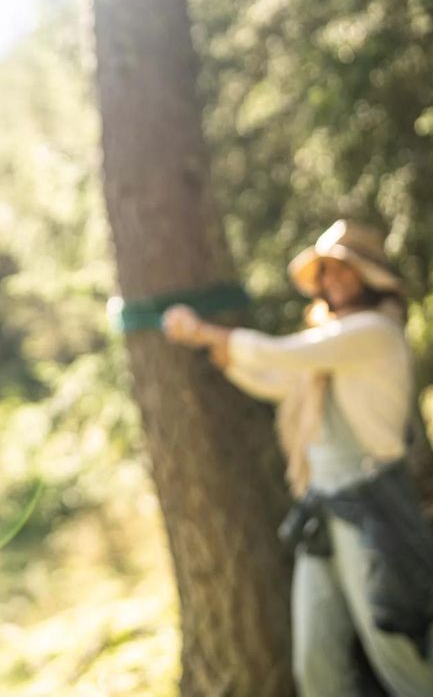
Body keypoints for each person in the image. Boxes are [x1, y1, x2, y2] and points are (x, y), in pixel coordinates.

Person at [163, 219, 433, 696]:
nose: (333, 280)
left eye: (344, 269)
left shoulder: (373, 332)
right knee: (315, 657)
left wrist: (205, 333)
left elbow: (283, 355)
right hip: (322, 506)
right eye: (326, 272)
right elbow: (283, 382)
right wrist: (228, 361)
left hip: (372, 505)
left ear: (369, 276)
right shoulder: (332, 343)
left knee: (394, 646)